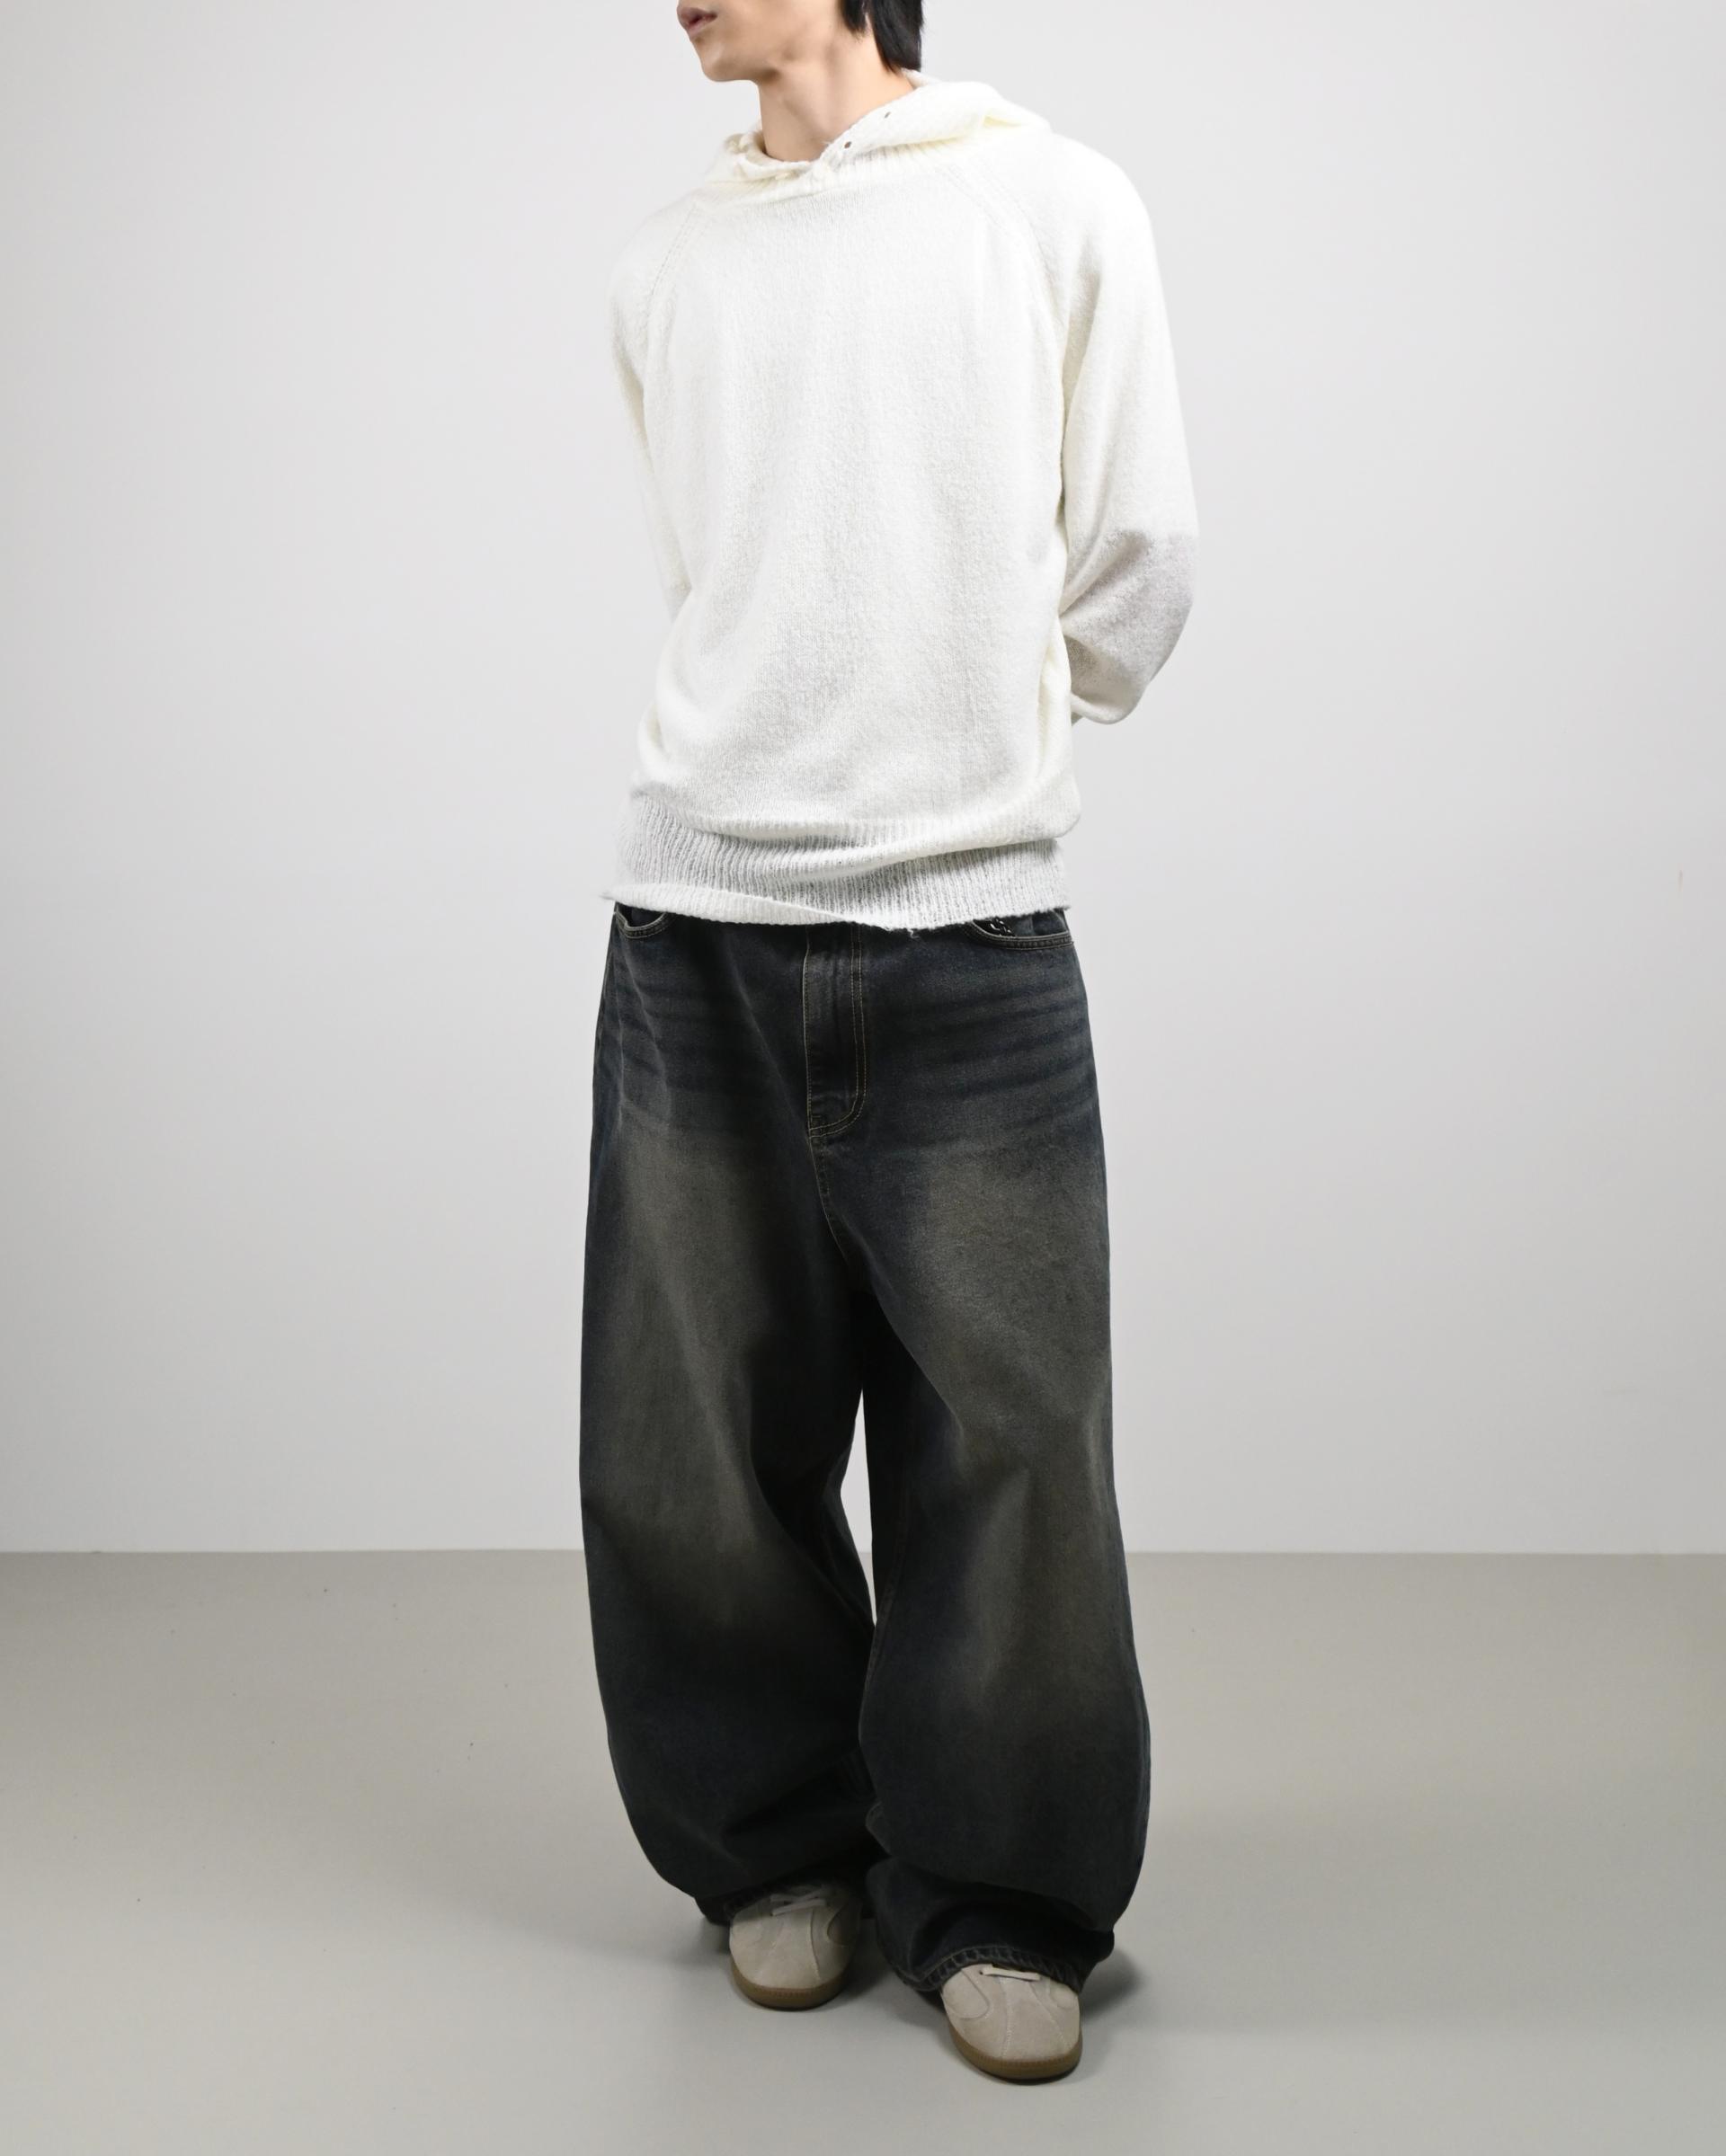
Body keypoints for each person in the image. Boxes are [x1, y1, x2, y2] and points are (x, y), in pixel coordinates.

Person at [580, 0, 1197, 2084]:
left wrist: (973, 728)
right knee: (689, 1442)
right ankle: (774, 1852)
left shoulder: (1054, 203)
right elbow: (724, 575)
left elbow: (1139, 557)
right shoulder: (667, 262)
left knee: (1008, 1445)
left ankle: (1004, 1895)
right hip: (695, 919)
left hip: (967, 922)